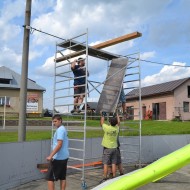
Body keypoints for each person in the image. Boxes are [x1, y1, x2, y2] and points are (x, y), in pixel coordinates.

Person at [46, 114, 69, 190]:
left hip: (58, 158)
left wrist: (51, 156)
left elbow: (59, 144)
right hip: (64, 157)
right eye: (53, 121)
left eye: (55, 121)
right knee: (62, 177)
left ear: (60, 121)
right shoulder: (63, 129)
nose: (54, 123)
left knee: (50, 178)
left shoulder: (60, 130)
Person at [100, 112, 120, 183]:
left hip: (107, 148)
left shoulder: (107, 128)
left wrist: (103, 115)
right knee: (113, 163)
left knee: (105, 163)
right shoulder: (117, 129)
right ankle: (114, 177)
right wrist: (117, 115)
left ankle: (105, 178)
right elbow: (119, 123)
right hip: (114, 148)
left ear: (110, 122)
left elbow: (101, 122)